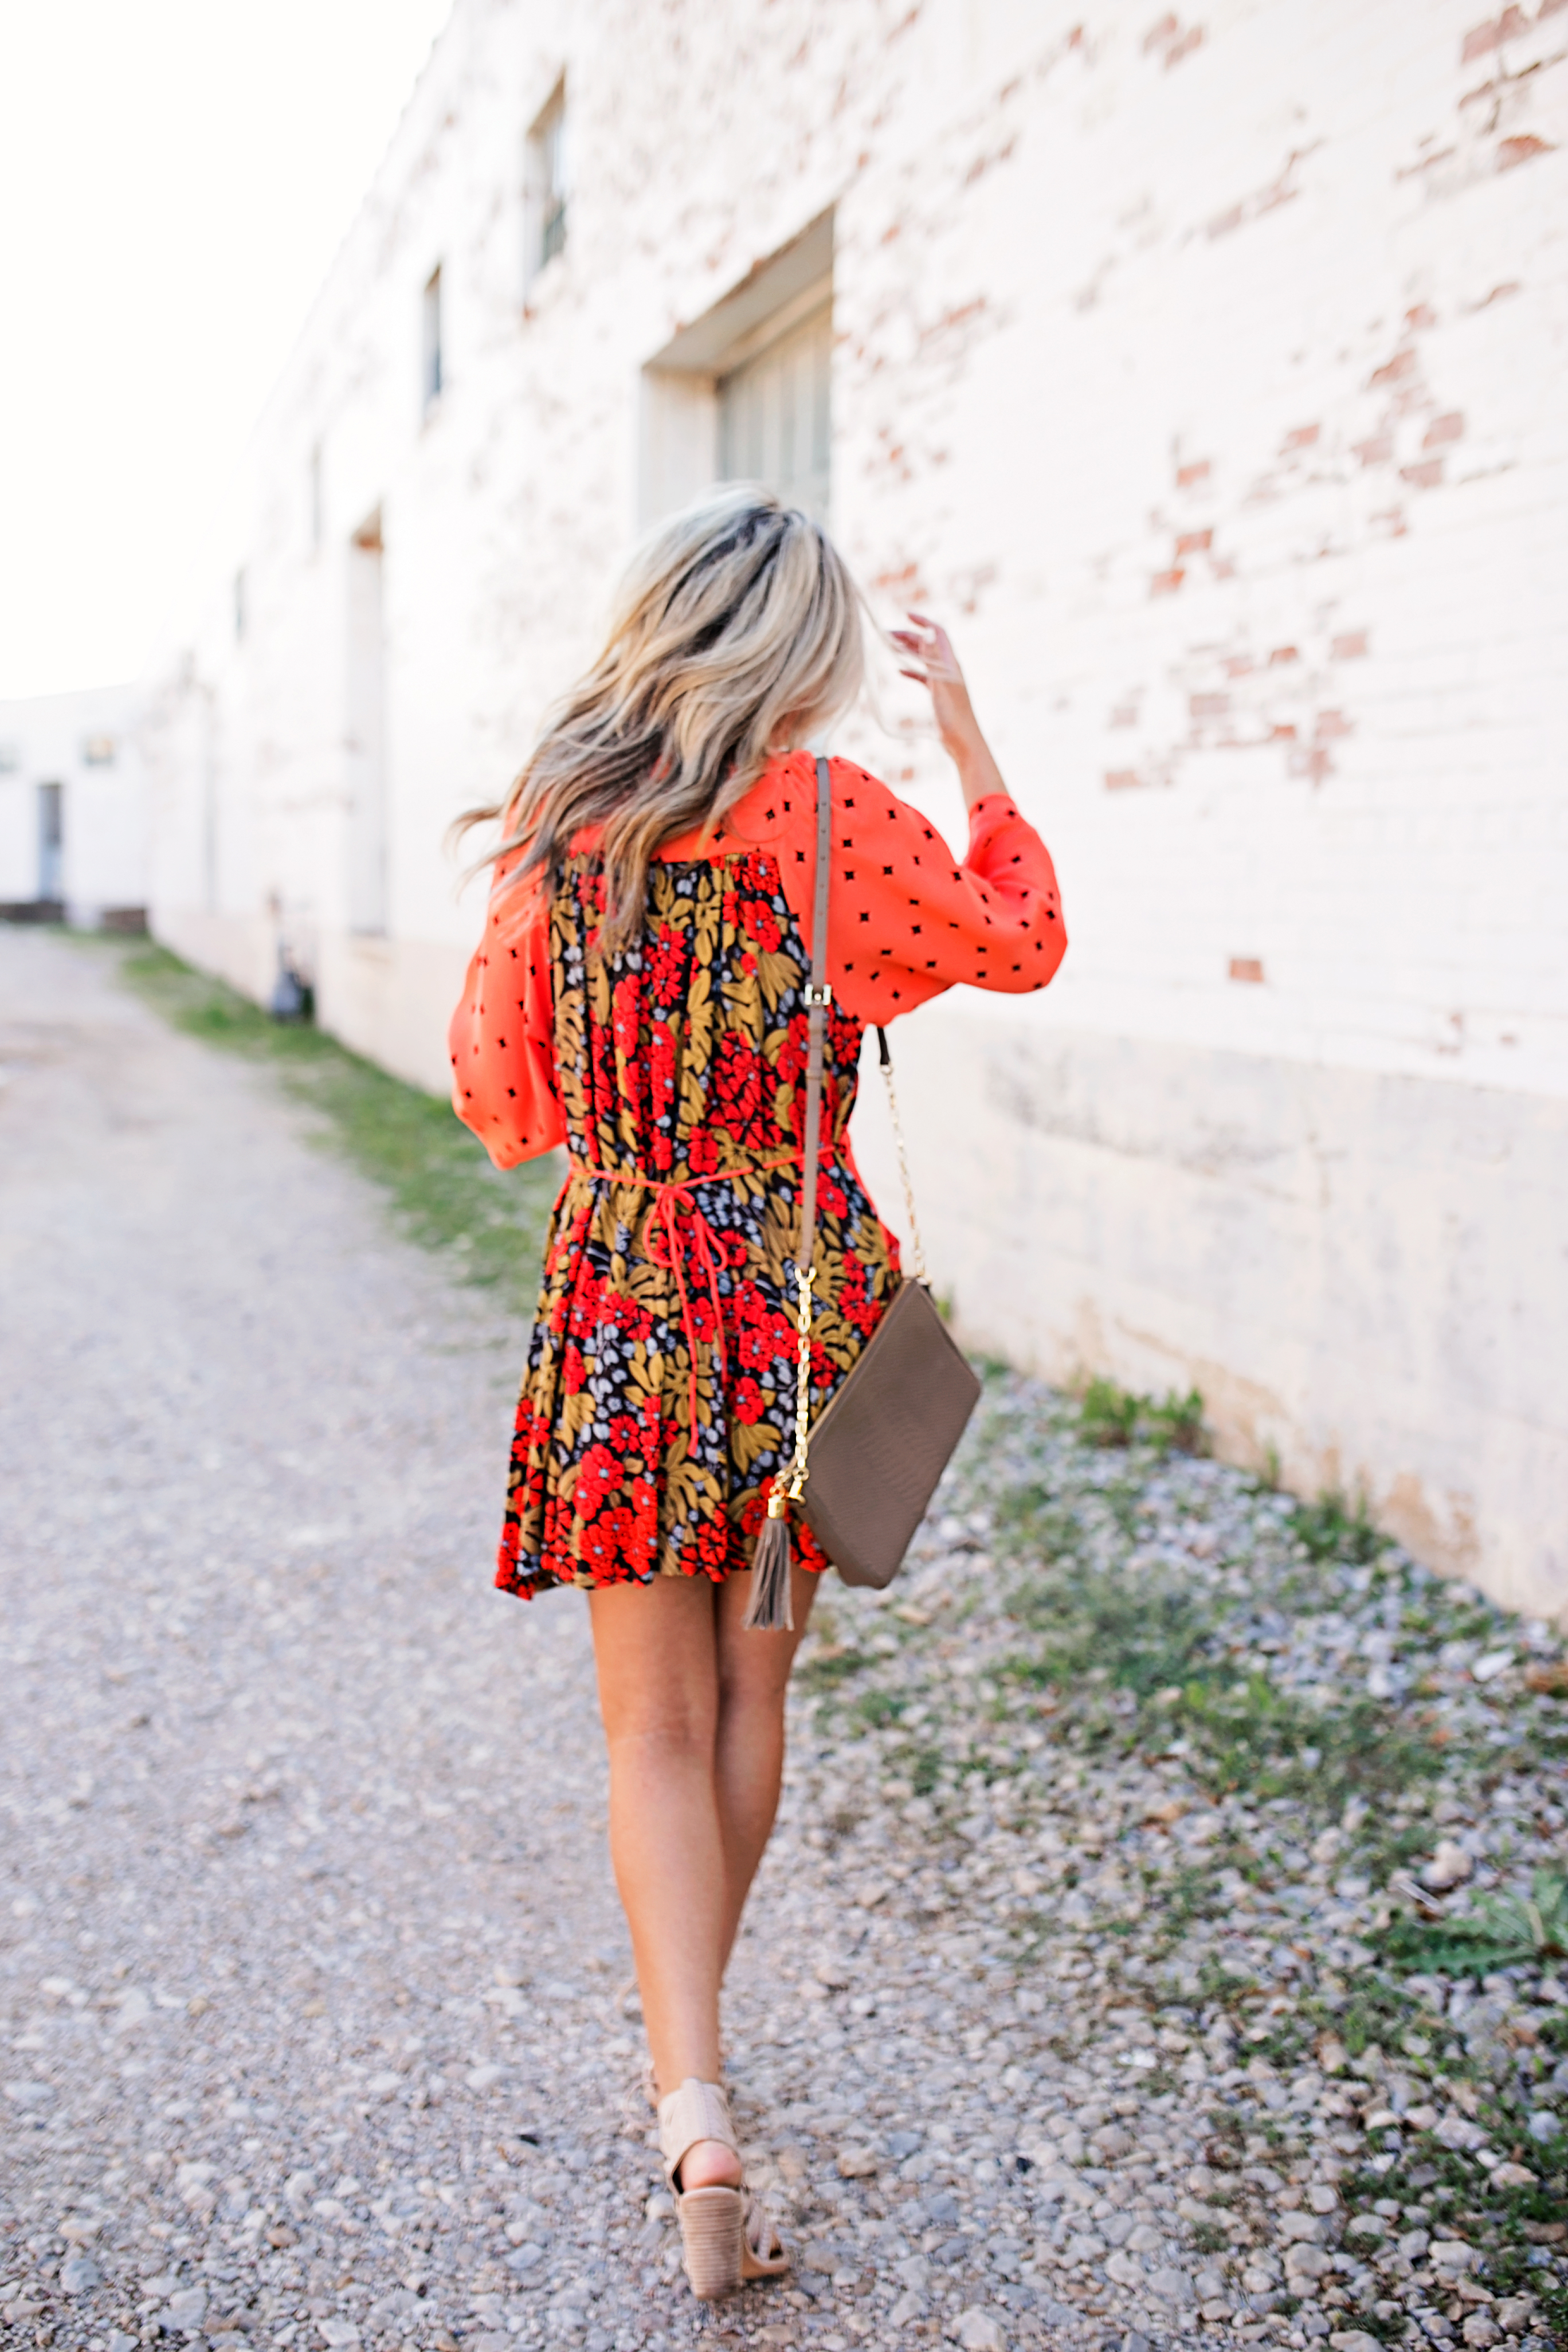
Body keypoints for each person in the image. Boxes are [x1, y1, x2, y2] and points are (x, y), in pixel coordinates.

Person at [448, 486, 1066, 2300]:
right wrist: (970, 741)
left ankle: (692, 2099)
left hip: (628, 1314)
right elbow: (1014, 939)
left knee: (644, 1725)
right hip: (801, 1319)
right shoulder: (837, 826)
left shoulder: (566, 838)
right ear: (808, 653)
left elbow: (503, 1102)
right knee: (753, 1684)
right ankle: (705, 2058)